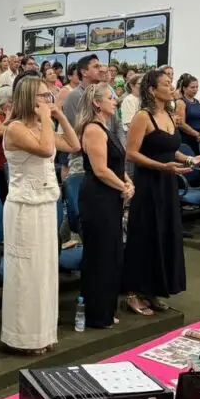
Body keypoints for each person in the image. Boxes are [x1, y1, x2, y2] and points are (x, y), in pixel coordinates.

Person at [1, 75, 79, 354]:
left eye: (50, 96)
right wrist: (48, 117)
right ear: (29, 99)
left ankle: (42, 334)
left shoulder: (40, 125)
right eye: (44, 96)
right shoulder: (14, 129)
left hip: (45, 205)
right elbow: (47, 149)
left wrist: (59, 115)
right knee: (26, 273)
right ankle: (21, 338)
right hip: (24, 208)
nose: (49, 100)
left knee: (44, 272)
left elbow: (74, 145)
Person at [124, 70, 200, 314]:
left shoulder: (169, 116)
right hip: (149, 184)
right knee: (146, 236)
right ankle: (133, 292)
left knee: (165, 235)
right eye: (167, 84)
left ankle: (154, 289)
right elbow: (131, 153)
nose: (172, 88)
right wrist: (162, 166)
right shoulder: (143, 117)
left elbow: (171, 151)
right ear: (152, 89)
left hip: (167, 183)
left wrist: (190, 160)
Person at [78, 83, 134, 328]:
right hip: (98, 197)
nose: (115, 101)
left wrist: (128, 182)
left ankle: (106, 309)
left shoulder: (107, 128)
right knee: (100, 255)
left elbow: (118, 165)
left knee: (112, 254)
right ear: (97, 103)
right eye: (110, 98)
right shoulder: (93, 129)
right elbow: (100, 170)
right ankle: (96, 314)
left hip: (110, 195)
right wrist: (123, 187)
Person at [62, 55, 116, 175]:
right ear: (84, 72)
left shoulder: (105, 94)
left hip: (108, 155)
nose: (101, 70)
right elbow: (75, 131)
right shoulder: (74, 96)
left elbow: (115, 124)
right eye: (96, 67)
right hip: (85, 160)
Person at [175, 74, 200, 153]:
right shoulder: (181, 102)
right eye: (192, 87)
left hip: (199, 138)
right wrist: (196, 134)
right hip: (187, 138)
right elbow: (181, 124)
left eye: (196, 87)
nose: (195, 89)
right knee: (188, 162)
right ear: (184, 88)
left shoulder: (198, 102)